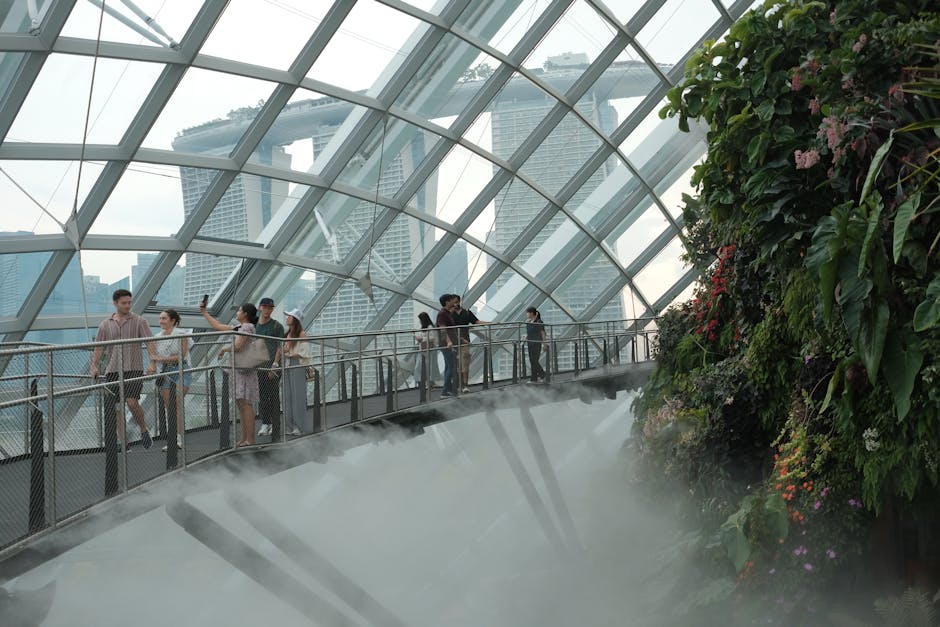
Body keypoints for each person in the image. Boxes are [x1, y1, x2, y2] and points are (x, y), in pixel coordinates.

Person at [91, 289, 157, 449]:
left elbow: (149, 342)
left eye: (129, 302)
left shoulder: (139, 321)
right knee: (116, 408)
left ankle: (143, 429)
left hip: (133, 367)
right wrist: (94, 365)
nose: (128, 305)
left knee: (132, 402)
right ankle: (124, 443)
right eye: (124, 303)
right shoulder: (105, 325)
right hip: (112, 370)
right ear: (115, 303)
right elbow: (99, 348)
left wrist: (152, 363)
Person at [200, 300, 260, 447]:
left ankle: (250, 439)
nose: (237, 313)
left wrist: (224, 349)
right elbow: (218, 326)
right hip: (240, 369)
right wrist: (204, 313)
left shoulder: (246, 327)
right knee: (242, 404)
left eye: (239, 310)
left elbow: (238, 346)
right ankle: (245, 438)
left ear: (245, 314)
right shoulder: (241, 327)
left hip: (243, 370)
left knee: (245, 404)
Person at [151, 309, 192, 452]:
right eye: (160, 318)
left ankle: (178, 439)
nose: (161, 321)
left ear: (173, 321)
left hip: (181, 370)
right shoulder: (157, 336)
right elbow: (155, 357)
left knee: (177, 403)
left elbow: (181, 356)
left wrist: (161, 358)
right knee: (170, 407)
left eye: (164, 318)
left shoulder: (182, 334)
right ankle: (173, 438)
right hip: (166, 372)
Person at [255, 297, 284, 438]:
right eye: (265, 307)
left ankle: (275, 424)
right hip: (259, 367)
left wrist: (275, 364)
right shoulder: (255, 326)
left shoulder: (277, 326)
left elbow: (280, 346)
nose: (267, 310)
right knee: (262, 397)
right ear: (260, 307)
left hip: (273, 366)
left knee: (273, 396)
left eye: (270, 307)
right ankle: (265, 423)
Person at [282, 309, 310, 436]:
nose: (287, 318)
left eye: (290, 316)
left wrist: (289, 354)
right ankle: (289, 426)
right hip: (288, 364)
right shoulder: (288, 334)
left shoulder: (301, 334)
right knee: (288, 395)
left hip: (296, 364)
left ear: (295, 319)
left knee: (297, 396)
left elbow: (304, 352)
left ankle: (299, 426)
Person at [452, 295, 489, 393]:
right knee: (457, 365)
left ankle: (465, 385)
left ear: (459, 301)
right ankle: (459, 384)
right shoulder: (450, 314)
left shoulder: (466, 312)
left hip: (465, 342)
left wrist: (490, 323)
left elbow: (476, 322)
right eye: (453, 302)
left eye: (456, 302)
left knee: (465, 363)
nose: (455, 304)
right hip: (454, 342)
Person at [436, 294, 459, 398]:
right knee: (452, 366)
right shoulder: (442, 314)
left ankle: (448, 390)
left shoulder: (447, 313)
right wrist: (449, 341)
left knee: (448, 367)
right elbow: (443, 329)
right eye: (451, 301)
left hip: (449, 344)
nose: (453, 302)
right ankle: (445, 391)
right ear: (446, 302)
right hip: (446, 345)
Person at [413, 311, 438, 388]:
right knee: (421, 366)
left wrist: (421, 339)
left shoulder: (430, 327)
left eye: (420, 320)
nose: (420, 321)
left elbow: (433, 338)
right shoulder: (423, 328)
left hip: (429, 349)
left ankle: (429, 382)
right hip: (423, 349)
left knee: (428, 366)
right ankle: (423, 381)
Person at [525, 306, 547, 382]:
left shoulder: (539, 322)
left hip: (536, 343)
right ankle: (534, 378)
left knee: (534, 361)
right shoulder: (528, 322)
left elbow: (542, 333)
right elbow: (530, 332)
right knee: (532, 361)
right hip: (530, 343)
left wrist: (544, 344)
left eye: (527, 312)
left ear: (531, 313)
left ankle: (543, 375)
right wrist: (526, 337)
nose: (527, 314)